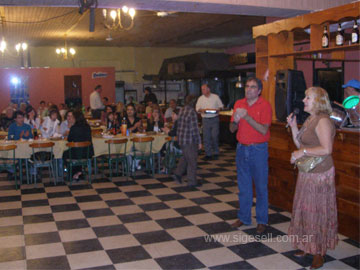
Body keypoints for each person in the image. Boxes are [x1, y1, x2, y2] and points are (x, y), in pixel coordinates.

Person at [287, 87, 337, 269]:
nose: (303, 100)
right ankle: (308, 246)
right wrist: (293, 127)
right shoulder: (310, 119)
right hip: (307, 172)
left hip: (320, 174)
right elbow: (300, 143)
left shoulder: (323, 121)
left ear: (318, 101)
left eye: (308, 97)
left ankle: (319, 252)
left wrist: (303, 152)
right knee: (306, 210)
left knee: (318, 212)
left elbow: (326, 149)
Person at [229, 77, 272, 235]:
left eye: (253, 87)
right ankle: (244, 217)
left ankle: (262, 220)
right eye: (247, 86)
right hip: (241, 148)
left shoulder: (265, 105)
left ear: (259, 90)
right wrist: (236, 120)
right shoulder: (238, 104)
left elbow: (263, 130)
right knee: (243, 187)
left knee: (261, 187)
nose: (248, 89)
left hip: (258, 150)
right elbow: (232, 129)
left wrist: (246, 117)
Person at [172, 95, 202, 187]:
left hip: (182, 139)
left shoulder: (182, 109)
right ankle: (192, 181)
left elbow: (178, 124)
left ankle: (177, 173)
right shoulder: (192, 112)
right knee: (192, 161)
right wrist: (199, 141)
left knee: (185, 158)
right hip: (190, 140)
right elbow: (194, 129)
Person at [63, 110, 94, 181]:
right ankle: (79, 172)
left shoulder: (74, 127)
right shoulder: (87, 126)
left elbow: (69, 140)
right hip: (87, 152)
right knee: (76, 153)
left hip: (77, 153)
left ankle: (73, 173)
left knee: (65, 154)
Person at [196, 83, 223, 160]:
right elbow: (197, 109)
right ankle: (208, 154)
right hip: (205, 119)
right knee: (206, 137)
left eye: (204, 89)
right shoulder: (200, 98)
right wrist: (202, 110)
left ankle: (216, 152)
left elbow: (221, 107)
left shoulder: (215, 97)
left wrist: (218, 110)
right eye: (202, 89)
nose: (202, 91)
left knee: (214, 136)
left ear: (208, 89)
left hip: (214, 118)